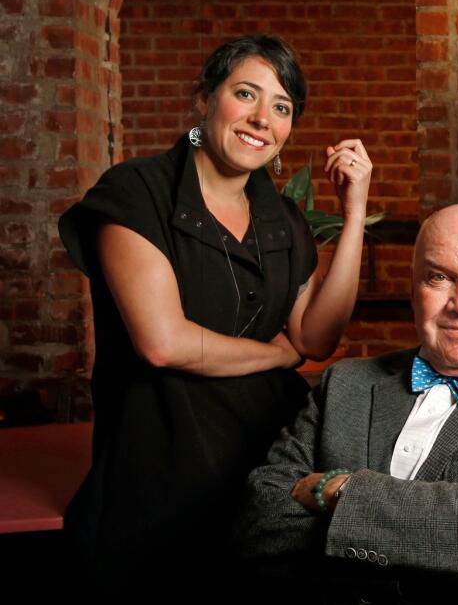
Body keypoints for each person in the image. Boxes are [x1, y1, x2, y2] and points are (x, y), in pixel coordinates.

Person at [58, 34, 373, 595]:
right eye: (246, 94)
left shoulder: (284, 219)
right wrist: (277, 353)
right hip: (159, 476)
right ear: (204, 100)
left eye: (281, 107)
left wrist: (353, 215)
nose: (262, 118)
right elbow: (163, 342)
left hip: (266, 473)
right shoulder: (136, 192)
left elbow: (318, 337)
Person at [235, 203, 458, 604]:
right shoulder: (346, 384)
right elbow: (258, 523)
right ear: (414, 291)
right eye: (439, 277)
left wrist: (337, 489)